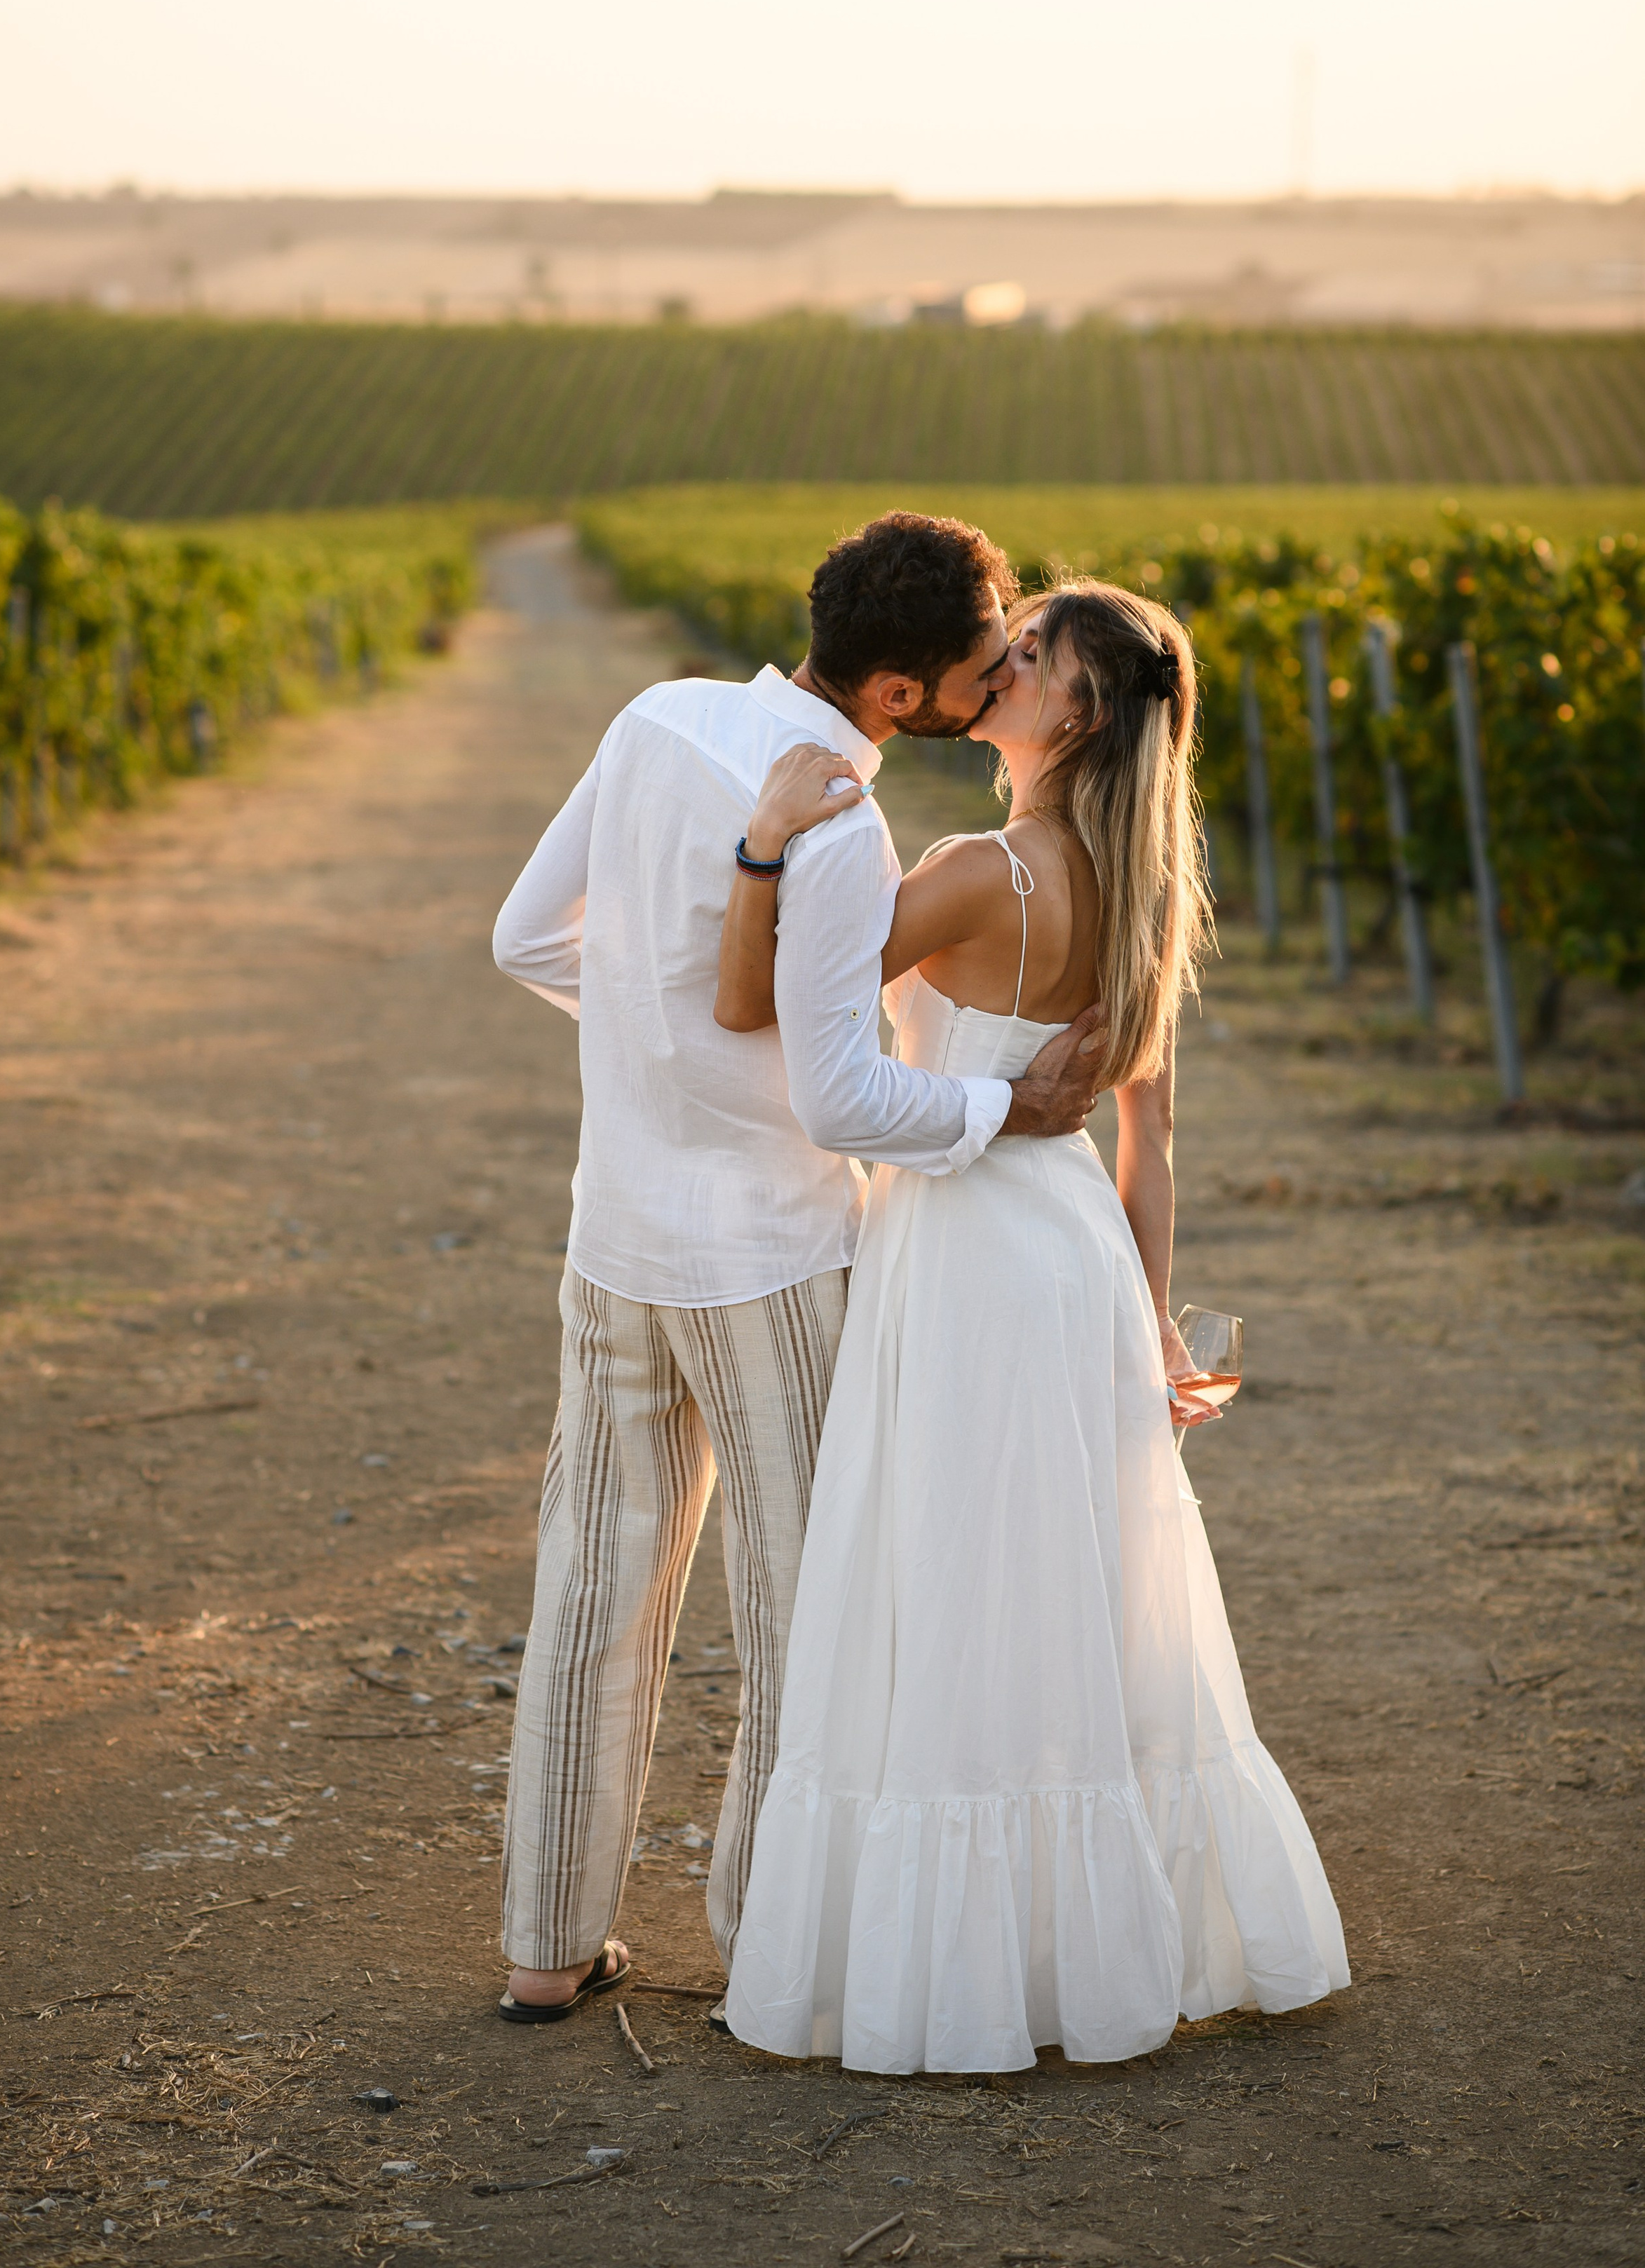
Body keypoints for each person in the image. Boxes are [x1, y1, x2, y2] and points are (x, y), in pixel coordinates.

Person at [717, 576, 1349, 2073]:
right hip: (1067, 1252)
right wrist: (1156, 1330)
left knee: (954, 1581)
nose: (996, 664)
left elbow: (754, 1001)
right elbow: (1151, 1148)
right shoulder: (1134, 890)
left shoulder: (973, 874)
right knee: (1073, 1591)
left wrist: (763, 850)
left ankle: (971, 1967)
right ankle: (1087, 1949)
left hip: (960, 1245)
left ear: (1070, 708)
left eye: (1027, 653)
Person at [488, 513, 1106, 2022]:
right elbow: (837, 1101)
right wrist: (997, 1106)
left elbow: (523, 939)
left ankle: (542, 1949)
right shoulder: (838, 825)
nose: (995, 681)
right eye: (978, 667)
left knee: (589, 1588)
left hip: (611, 1233)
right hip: (767, 1255)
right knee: (801, 1613)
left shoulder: (656, 716)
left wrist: (655, 1036)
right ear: (897, 694)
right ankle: (772, 1944)